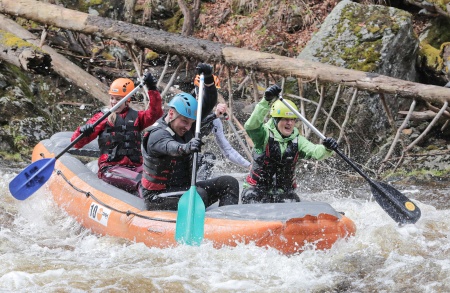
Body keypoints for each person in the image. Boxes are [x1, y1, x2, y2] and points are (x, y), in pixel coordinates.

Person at [140, 63, 240, 210]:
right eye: (184, 122)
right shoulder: (157, 134)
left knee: (229, 183)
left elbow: (210, 101)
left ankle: (225, 222)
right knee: (198, 195)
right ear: (171, 114)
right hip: (157, 196)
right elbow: (171, 147)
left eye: (191, 123)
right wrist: (187, 147)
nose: (188, 127)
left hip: (183, 189)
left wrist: (208, 79)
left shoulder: (187, 127)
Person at [241, 84, 338, 204]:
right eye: (285, 119)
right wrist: (266, 101)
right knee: (252, 198)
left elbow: (315, 152)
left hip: (283, 193)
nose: (290, 123)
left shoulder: (298, 140)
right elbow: (251, 126)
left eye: (292, 119)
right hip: (256, 190)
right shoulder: (263, 135)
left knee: (291, 200)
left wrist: (327, 148)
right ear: (276, 120)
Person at [71, 74, 163, 194]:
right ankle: (147, 209)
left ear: (128, 100)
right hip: (111, 169)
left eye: (119, 99)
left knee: (156, 180)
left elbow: (155, 113)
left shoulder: (137, 117)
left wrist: (152, 89)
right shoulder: (102, 118)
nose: (114, 102)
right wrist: (83, 131)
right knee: (142, 182)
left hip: (135, 168)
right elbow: (76, 144)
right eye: (112, 98)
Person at [192, 74, 251, 180]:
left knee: (209, 159)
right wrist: (214, 115)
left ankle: (199, 185)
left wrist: (249, 166)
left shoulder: (215, 120)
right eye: (207, 92)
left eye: (213, 93)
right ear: (197, 93)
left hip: (191, 155)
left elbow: (227, 150)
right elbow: (194, 124)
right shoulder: (186, 108)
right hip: (175, 154)